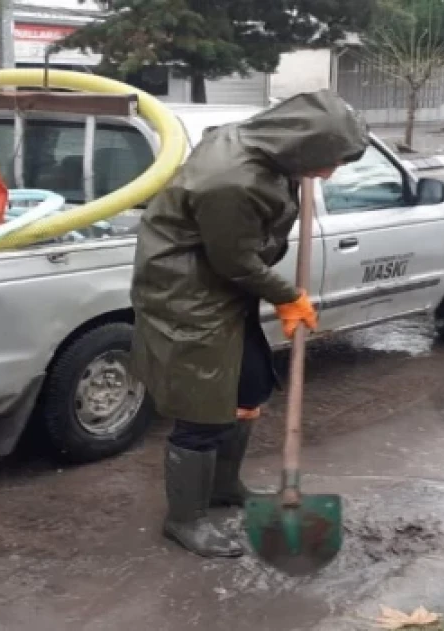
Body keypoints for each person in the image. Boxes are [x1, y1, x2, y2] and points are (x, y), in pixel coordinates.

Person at [130, 90, 369, 558]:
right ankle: (185, 519)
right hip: (188, 297)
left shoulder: (267, 152)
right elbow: (234, 259)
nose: (328, 174)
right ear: (303, 147)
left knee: (249, 389)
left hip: (221, 290)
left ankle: (222, 487)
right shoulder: (232, 180)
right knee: (202, 412)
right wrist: (288, 296)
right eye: (327, 162)